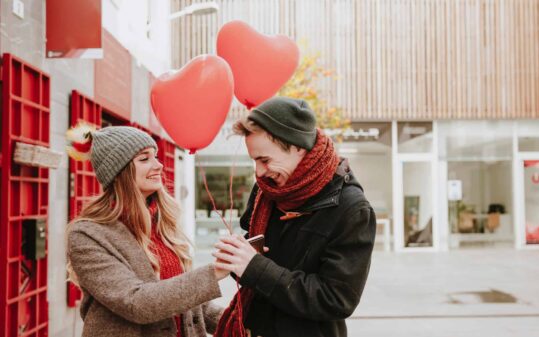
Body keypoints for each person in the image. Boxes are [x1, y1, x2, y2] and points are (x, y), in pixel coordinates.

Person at [212, 97, 376, 337]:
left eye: (264, 160)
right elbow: (256, 260)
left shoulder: (352, 209)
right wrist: (238, 258)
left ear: (298, 146)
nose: (259, 172)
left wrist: (255, 267)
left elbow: (336, 299)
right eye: (254, 161)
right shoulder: (267, 190)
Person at [65, 125, 227, 337]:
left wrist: (240, 324)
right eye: (144, 159)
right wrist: (217, 271)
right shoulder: (88, 234)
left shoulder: (161, 222)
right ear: (120, 172)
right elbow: (136, 303)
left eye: (156, 157)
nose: (159, 165)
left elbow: (187, 302)